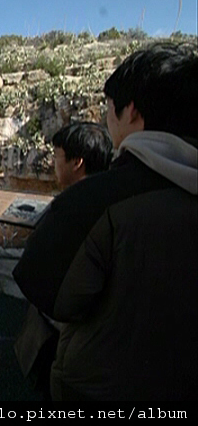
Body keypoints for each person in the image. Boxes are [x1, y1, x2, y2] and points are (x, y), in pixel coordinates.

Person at [13, 42, 197, 400]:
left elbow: (43, 286)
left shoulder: (98, 201)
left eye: (109, 109)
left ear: (131, 111)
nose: (107, 119)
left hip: (103, 385)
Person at [13, 121, 112, 400]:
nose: (53, 164)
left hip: (66, 339)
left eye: (57, 156)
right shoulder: (119, 203)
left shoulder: (70, 208)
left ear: (77, 162)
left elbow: (32, 273)